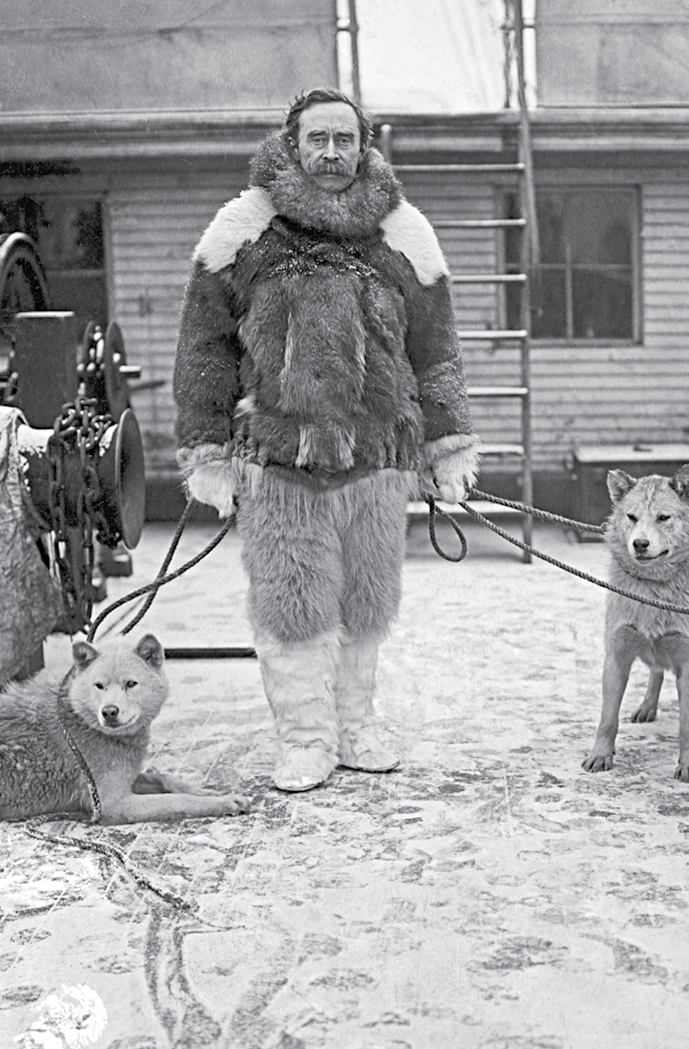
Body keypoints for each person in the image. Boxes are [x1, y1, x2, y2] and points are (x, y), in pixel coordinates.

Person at [172, 87, 479, 792]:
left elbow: (437, 352)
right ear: (293, 143)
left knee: (366, 603)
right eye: (319, 139)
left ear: (365, 146)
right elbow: (204, 349)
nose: (332, 153)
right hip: (281, 462)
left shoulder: (402, 231)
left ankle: (358, 725)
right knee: (294, 606)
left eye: (345, 139)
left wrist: (449, 442)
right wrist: (208, 448)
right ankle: (305, 739)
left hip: (376, 460)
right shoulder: (244, 230)